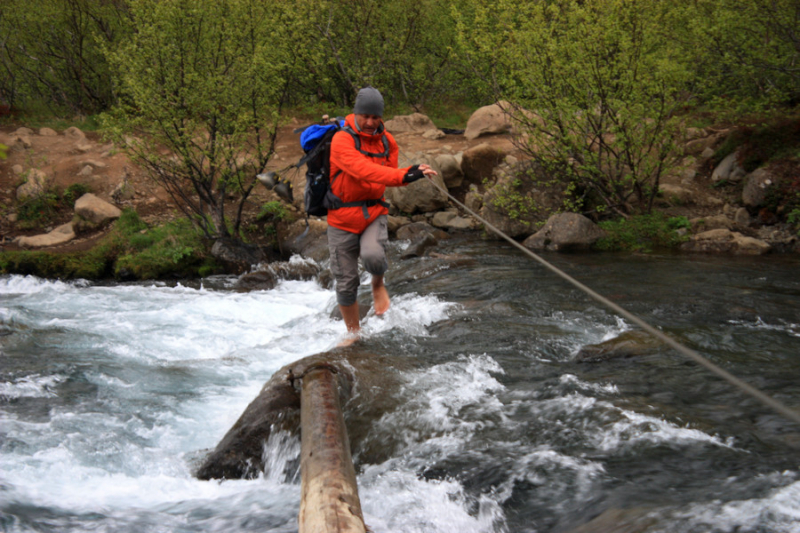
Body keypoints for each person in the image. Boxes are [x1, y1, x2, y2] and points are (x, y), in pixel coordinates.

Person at [327, 86, 437, 340]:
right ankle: (353, 333)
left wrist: (410, 172)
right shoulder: (341, 140)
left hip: (373, 212)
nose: (370, 122)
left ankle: (378, 284)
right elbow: (362, 170)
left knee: (374, 256)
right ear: (356, 113)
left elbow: (389, 176)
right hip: (341, 217)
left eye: (375, 117)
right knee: (346, 282)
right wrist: (405, 174)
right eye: (365, 115)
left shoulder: (388, 141)